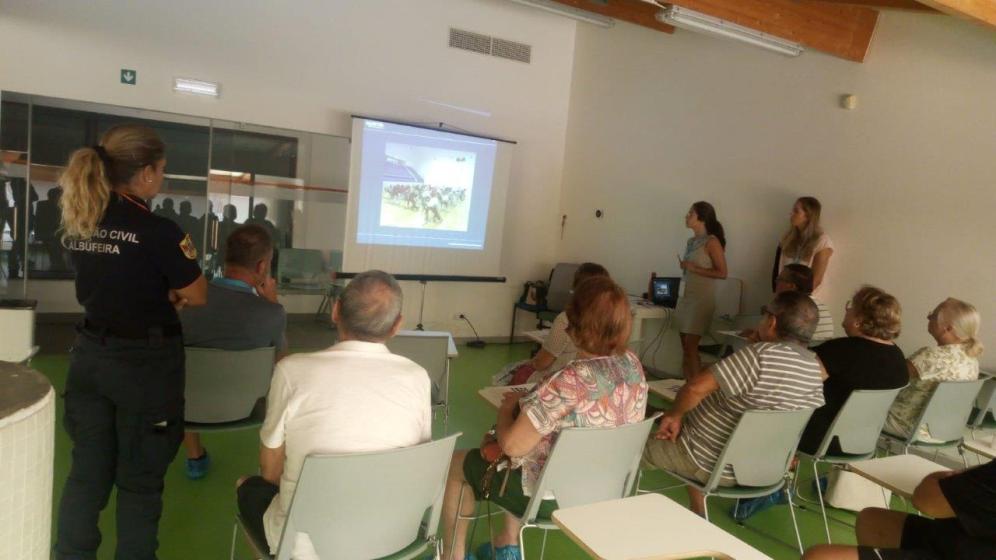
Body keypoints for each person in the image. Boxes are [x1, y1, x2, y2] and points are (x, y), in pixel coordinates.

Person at [54, 124, 208, 560]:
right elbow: (196, 294)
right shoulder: (157, 230)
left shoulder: (83, 217)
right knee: (140, 482)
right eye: (160, 171)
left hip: (90, 360)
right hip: (146, 369)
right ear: (143, 175)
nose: (162, 179)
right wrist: (167, 293)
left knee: (86, 475)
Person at [440, 276, 648, 560]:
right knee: (534, 450)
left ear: (573, 325)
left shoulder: (568, 381)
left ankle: (455, 557)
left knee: (459, 465)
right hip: (607, 489)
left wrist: (505, 411)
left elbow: (512, 446)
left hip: (555, 498)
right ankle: (505, 543)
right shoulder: (633, 366)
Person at [235, 270, 430, 560]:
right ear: (396, 326)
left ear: (335, 311)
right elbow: (417, 465)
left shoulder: (292, 371)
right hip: (392, 536)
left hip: (304, 547)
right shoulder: (417, 377)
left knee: (246, 486)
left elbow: (271, 471)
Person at [643, 290, 825, 516]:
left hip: (708, 463)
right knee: (698, 427)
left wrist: (674, 415)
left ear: (772, 321)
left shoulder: (759, 356)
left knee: (632, 446)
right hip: (765, 469)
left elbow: (695, 388)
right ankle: (698, 512)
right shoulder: (815, 369)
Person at [735, 286, 907, 520]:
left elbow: (791, 381)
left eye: (850, 306)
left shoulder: (842, 351)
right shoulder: (898, 357)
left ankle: (762, 487)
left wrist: (762, 344)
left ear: (859, 320)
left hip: (819, 437)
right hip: (861, 441)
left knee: (760, 411)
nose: (845, 311)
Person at [179, 224, 287, 480]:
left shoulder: (186, 302)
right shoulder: (271, 313)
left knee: (181, 372)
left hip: (186, 408)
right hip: (247, 409)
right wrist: (273, 304)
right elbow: (284, 366)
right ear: (262, 267)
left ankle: (195, 457)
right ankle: (270, 466)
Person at [802, 461, 996, 559]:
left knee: (819, 557)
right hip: (966, 543)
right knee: (872, 521)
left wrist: (946, 479)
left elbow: (926, 501)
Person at [883, 298, 983, 440]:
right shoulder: (971, 359)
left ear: (948, 328)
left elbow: (886, 379)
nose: (928, 317)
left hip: (907, 426)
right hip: (945, 431)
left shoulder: (931, 356)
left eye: (933, 316)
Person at [498, 262, 610, 385]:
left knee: (515, 374)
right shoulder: (610, 321)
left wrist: (530, 363)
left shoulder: (567, 319)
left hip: (555, 384)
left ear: (577, 289)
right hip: (590, 384)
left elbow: (542, 363)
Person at [675, 201, 728, 380]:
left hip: (700, 300)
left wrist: (694, 268)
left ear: (701, 218)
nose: (687, 216)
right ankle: (685, 385)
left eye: (691, 213)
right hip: (686, 297)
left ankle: (695, 390)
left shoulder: (712, 242)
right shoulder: (691, 241)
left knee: (691, 347)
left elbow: (722, 273)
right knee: (684, 347)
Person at [743, 264, 834, 344]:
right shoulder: (821, 306)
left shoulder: (789, 307)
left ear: (791, 286)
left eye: (779, 280)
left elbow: (780, 342)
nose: (776, 282)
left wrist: (757, 337)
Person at [775, 196, 833, 301]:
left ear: (808, 216)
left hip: (807, 303)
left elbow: (816, 279)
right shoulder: (786, 239)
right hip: (783, 300)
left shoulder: (822, 242)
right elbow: (777, 271)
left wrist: (795, 301)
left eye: (796, 211)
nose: (791, 214)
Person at [34, 186, 69, 271]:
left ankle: (58, 263)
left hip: (53, 233)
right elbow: (49, 222)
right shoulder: (49, 206)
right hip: (48, 233)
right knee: (58, 241)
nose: (61, 198)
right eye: (60, 196)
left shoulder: (45, 205)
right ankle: (58, 264)